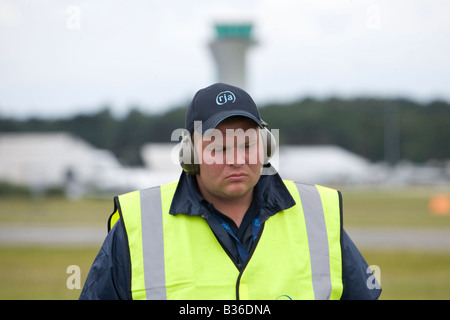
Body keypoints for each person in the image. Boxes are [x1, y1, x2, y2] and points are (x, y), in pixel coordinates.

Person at [80, 83, 381, 300]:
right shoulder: (138, 226)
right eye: (219, 147)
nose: (236, 159)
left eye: (247, 144)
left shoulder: (317, 213)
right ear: (190, 154)